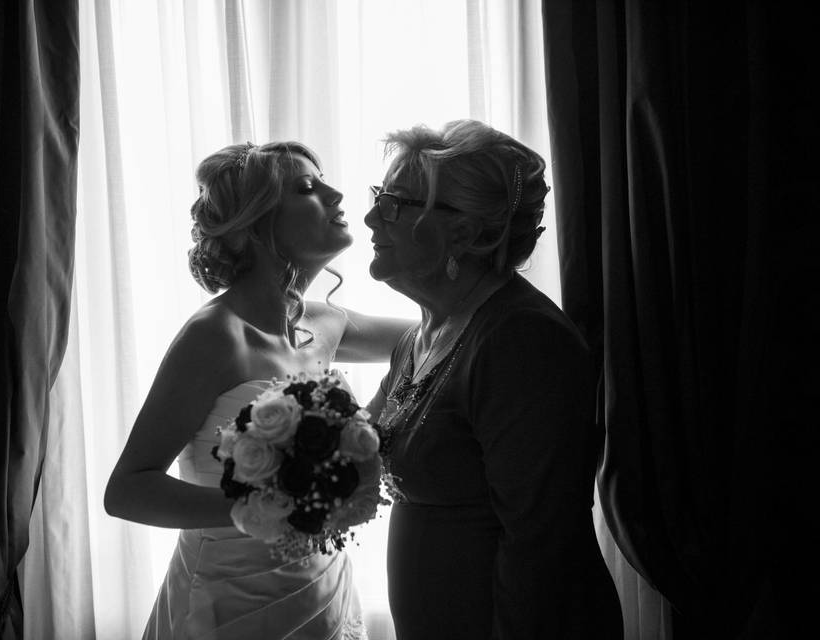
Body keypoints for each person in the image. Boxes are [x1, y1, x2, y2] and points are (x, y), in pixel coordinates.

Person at [104, 141, 412, 640]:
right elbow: (127, 491)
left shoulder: (324, 324)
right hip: (229, 603)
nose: (335, 194)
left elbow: (432, 336)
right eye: (307, 188)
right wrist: (264, 508)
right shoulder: (214, 336)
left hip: (321, 590)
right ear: (254, 225)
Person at [363, 120, 623, 639]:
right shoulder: (425, 331)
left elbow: (540, 545)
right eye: (379, 196)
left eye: (395, 203)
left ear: (464, 231)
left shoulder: (522, 340)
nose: (372, 217)